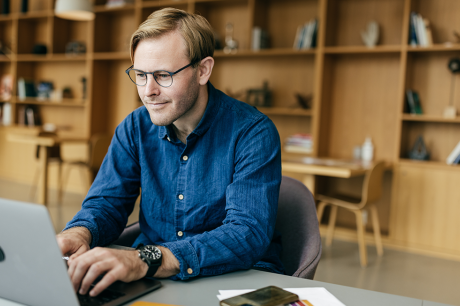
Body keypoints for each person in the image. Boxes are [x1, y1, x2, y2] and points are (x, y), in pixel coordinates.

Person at [57, 7, 283, 297]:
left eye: (163, 75)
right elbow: (106, 202)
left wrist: (147, 259)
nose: (148, 90)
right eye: (140, 75)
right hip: (153, 279)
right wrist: (80, 232)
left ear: (203, 70)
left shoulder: (253, 132)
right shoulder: (134, 128)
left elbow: (246, 233)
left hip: (234, 279)